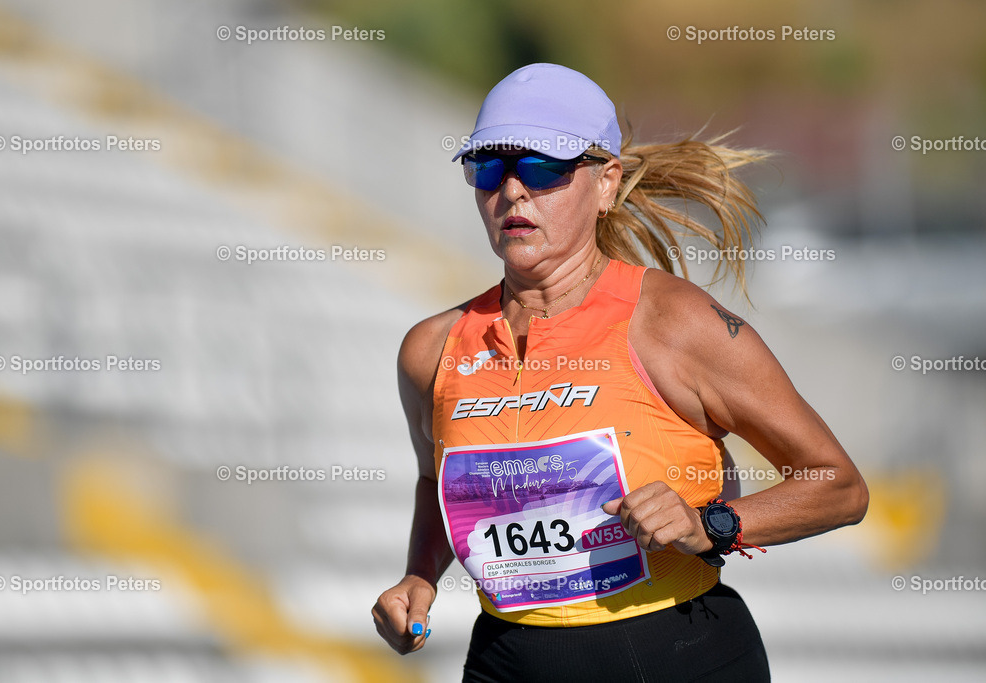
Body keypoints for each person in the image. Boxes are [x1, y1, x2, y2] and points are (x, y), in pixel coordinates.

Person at [372, 63, 868, 682]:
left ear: (607, 183)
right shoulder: (431, 348)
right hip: (507, 658)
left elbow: (839, 486)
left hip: (674, 654)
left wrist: (710, 524)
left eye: (544, 168)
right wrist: (420, 575)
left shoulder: (676, 323)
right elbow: (434, 481)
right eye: (490, 168)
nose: (513, 192)